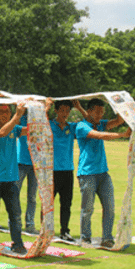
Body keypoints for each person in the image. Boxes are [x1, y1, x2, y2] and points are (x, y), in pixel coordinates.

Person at [75, 98, 131, 248]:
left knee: (110, 207)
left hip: (103, 173)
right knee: (87, 208)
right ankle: (85, 238)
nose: (100, 115)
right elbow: (101, 136)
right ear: (90, 111)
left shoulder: (100, 123)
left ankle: (107, 238)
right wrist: (122, 135)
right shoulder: (81, 126)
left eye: (102, 112)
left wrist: (119, 104)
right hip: (87, 173)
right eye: (98, 112)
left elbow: (119, 120)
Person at [0, 102, 28, 254]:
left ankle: (18, 243)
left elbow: (30, 130)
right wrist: (16, 117)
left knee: (15, 214)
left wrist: (41, 112)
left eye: (8, 111)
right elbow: (1, 133)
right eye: (1, 112)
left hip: (10, 179)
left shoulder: (14, 128)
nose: (5, 114)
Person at [47, 98, 79, 242]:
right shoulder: (48, 125)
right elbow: (37, 122)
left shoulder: (71, 127)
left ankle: (65, 231)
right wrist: (46, 107)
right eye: (62, 110)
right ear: (56, 111)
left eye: (68, 111)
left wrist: (79, 107)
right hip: (51, 170)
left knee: (66, 203)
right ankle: (46, 230)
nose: (65, 114)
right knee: (48, 203)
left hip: (67, 170)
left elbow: (90, 123)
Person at [16, 112, 39, 235]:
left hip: (35, 163)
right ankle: (15, 222)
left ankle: (30, 224)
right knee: (15, 194)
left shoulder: (40, 120)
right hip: (20, 162)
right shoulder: (21, 119)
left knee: (32, 197)